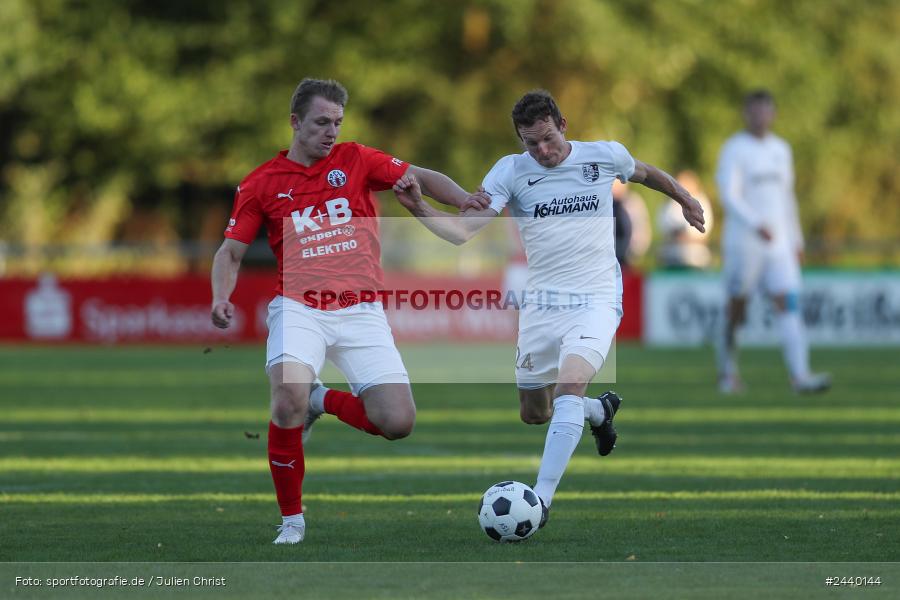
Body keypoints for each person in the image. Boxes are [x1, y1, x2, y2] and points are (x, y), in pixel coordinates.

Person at [392, 89, 705, 526]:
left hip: (596, 298)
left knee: (569, 387)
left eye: (546, 138)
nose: (541, 150)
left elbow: (648, 174)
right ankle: (600, 411)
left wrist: (685, 199)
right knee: (534, 413)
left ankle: (540, 502)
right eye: (529, 142)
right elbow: (465, 232)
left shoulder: (602, 156)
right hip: (542, 304)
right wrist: (420, 207)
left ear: (563, 125)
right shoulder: (511, 171)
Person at [210, 78, 487, 545]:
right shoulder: (261, 184)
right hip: (299, 307)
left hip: (361, 311)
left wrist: (463, 201)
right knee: (286, 399)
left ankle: (322, 400)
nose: (331, 131)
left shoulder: (357, 159)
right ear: (295, 122)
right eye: (321, 122)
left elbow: (419, 176)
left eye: (337, 122)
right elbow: (229, 252)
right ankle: (292, 521)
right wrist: (221, 297)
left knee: (397, 423)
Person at [715, 89, 830, 394]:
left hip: (779, 247)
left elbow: (787, 200)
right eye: (754, 111)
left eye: (765, 111)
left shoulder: (781, 149)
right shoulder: (734, 149)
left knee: (788, 303)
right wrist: (756, 223)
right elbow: (729, 195)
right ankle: (727, 373)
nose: (759, 117)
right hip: (744, 244)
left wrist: (796, 239)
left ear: (773, 114)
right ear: (745, 114)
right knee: (737, 310)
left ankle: (800, 376)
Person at [657, 170, 714, 270]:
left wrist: (687, 236)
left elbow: (705, 229)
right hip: (672, 255)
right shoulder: (670, 203)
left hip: (696, 256)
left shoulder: (701, 201)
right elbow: (663, 226)